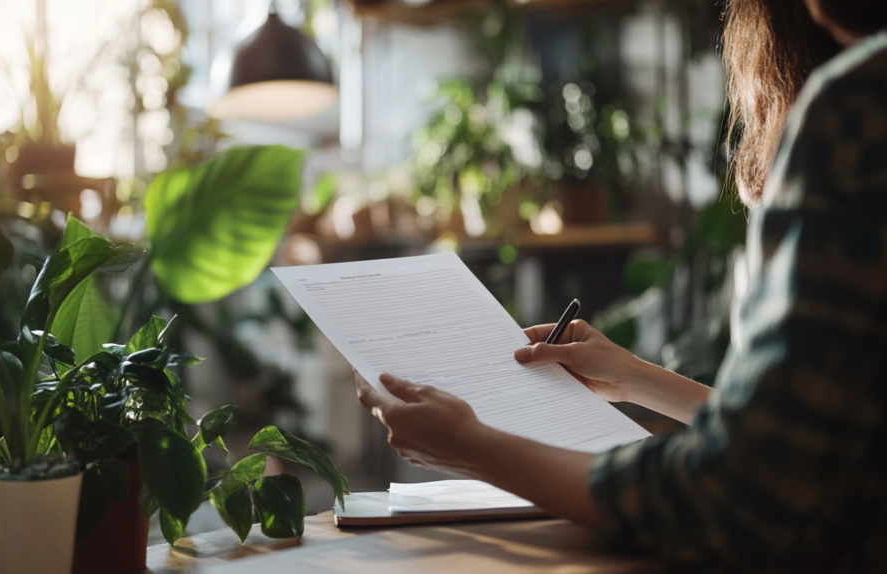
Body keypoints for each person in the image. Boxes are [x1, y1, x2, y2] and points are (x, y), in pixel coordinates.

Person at [355, 0, 887, 571]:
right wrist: (636, 378)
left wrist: (470, 446)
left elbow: (745, 496)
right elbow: (807, 442)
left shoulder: (860, 108)